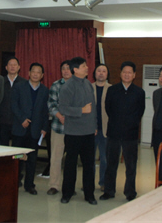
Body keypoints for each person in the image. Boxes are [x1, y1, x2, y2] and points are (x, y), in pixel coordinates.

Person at [100, 61, 145, 202]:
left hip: (131, 134)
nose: (127, 75)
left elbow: (140, 112)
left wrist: (129, 124)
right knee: (111, 164)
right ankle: (109, 191)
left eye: (129, 72)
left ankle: (130, 192)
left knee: (131, 165)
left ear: (134, 75)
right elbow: (108, 108)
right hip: (113, 133)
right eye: (124, 72)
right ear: (120, 74)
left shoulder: (139, 92)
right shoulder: (112, 90)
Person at [58, 57, 97, 205]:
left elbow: (93, 109)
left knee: (89, 165)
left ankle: (89, 194)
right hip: (73, 133)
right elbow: (63, 108)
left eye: (86, 65)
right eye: (83, 66)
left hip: (88, 132)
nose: (87, 68)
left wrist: (94, 126)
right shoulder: (67, 86)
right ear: (75, 70)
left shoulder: (88, 84)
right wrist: (81, 110)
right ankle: (67, 193)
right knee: (70, 165)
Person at [11, 63, 49, 195]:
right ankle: (15, 182)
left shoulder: (44, 90)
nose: (35, 74)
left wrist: (44, 128)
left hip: (35, 130)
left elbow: (45, 111)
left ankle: (29, 185)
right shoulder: (19, 86)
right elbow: (14, 105)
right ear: (28, 73)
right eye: (33, 71)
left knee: (32, 159)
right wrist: (22, 119)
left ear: (42, 75)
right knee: (17, 157)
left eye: (38, 72)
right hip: (20, 128)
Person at [46, 60, 72, 195]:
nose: (66, 71)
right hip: (58, 127)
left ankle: (69, 186)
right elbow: (51, 105)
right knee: (56, 157)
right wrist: (61, 116)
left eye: (68, 68)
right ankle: (54, 185)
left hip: (74, 128)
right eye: (63, 68)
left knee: (71, 159)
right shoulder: (56, 85)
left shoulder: (78, 85)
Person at [92, 63, 111, 191]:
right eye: (99, 70)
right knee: (89, 158)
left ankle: (103, 182)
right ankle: (88, 182)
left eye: (104, 71)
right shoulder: (88, 87)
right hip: (90, 129)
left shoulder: (112, 89)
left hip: (106, 129)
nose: (101, 73)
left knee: (105, 158)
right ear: (95, 73)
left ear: (107, 74)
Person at [0, 57, 27, 146]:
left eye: (15, 65)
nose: (12, 67)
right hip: (3, 122)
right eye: (10, 65)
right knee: (3, 149)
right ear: (6, 67)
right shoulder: (0, 82)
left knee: (17, 149)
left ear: (19, 67)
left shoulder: (24, 83)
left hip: (18, 122)